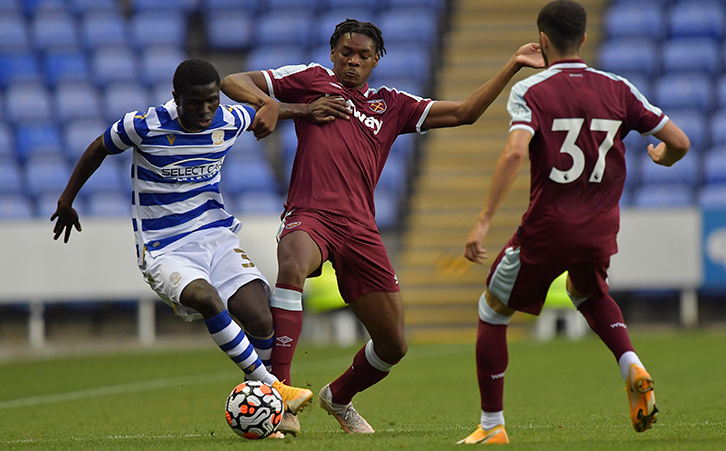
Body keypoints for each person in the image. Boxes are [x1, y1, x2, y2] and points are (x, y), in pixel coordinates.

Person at [220, 19, 544, 435]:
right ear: (333, 54)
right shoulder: (310, 80)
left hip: (360, 228)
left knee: (394, 344)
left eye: (363, 56)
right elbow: (233, 80)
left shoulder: (392, 104)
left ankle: (338, 396)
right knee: (293, 262)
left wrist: (514, 64)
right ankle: (279, 389)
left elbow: (465, 112)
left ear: (376, 60)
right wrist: (285, 108)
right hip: (311, 212)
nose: (353, 62)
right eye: (346, 54)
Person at [50, 59, 347, 434]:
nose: (206, 111)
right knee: (208, 299)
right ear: (176, 98)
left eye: (211, 101)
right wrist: (66, 199)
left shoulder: (229, 118)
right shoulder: (144, 125)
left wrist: (306, 109)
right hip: (165, 247)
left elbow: (267, 111)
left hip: (216, 237)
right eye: (195, 103)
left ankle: (270, 411)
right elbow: (98, 147)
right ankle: (275, 390)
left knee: (261, 317)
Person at [459, 0, 690, 444]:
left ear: (542, 41)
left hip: (548, 227)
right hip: (600, 228)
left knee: (492, 309)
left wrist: (483, 222)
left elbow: (513, 152)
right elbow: (678, 141)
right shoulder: (619, 87)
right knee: (586, 291)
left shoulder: (532, 90)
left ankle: (492, 427)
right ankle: (631, 364)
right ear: (583, 38)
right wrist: (663, 157)